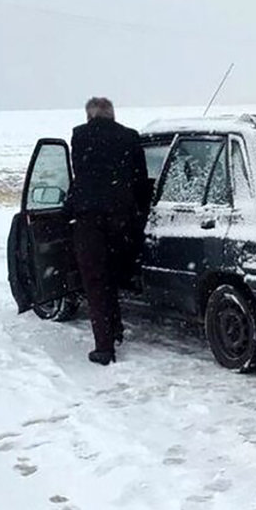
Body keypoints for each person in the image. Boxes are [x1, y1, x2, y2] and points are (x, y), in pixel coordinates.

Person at [67, 97, 151, 366]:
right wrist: (137, 212)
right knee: (114, 274)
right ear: (112, 114)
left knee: (95, 281)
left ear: (89, 116)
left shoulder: (80, 136)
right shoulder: (130, 137)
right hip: (123, 218)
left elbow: (80, 174)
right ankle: (115, 329)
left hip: (90, 220)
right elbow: (141, 179)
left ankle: (104, 346)